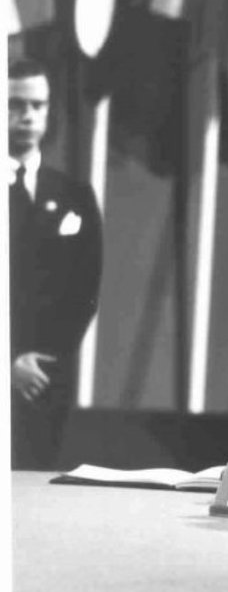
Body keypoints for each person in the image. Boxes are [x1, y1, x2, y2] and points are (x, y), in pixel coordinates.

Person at [8, 57, 102, 469]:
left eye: (38, 105)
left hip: (45, 379)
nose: (28, 115)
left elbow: (83, 291)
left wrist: (42, 359)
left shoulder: (74, 196)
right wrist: (8, 360)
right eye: (14, 104)